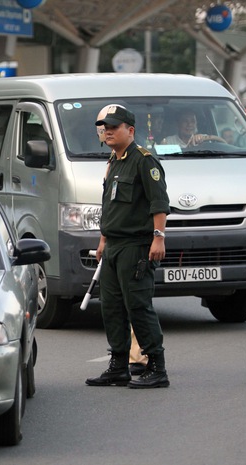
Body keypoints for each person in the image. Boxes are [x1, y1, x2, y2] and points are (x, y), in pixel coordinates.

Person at [86, 104, 170, 389]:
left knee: (138, 306)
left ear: (130, 130)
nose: (107, 131)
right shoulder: (114, 160)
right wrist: (103, 240)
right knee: (111, 307)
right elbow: (109, 205)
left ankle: (157, 367)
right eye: (104, 127)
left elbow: (159, 202)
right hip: (113, 247)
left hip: (136, 246)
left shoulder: (144, 161)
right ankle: (118, 366)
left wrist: (158, 237)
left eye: (114, 127)